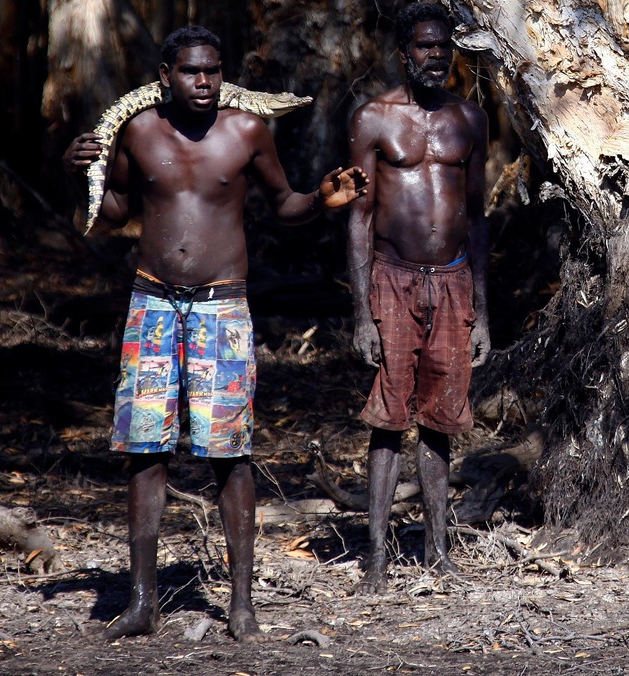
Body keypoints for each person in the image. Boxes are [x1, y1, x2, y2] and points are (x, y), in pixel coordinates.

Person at [62, 25, 368, 641]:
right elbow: (115, 210)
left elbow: (282, 203)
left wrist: (319, 200)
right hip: (151, 303)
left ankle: (242, 608)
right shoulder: (139, 131)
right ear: (165, 74)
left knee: (231, 454)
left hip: (221, 310)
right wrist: (81, 171)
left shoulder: (246, 131)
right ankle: (143, 603)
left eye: (213, 70)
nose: (204, 82)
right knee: (145, 451)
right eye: (191, 71)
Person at [346, 2, 490, 595]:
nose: (437, 56)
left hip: (454, 279)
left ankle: (438, 552)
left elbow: (478, 218)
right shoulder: (373, 119)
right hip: (392, 278)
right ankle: (377, 560)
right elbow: (356, 217)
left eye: (445, 46)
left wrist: (483, 311)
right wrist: (361, 313)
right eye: (426, 47)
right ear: (405, 52)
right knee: (388, 419)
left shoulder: (470, 119)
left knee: (442, 419)